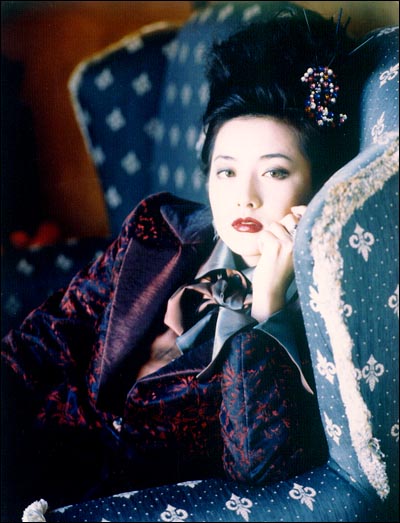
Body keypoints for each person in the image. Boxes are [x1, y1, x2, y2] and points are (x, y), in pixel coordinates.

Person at [1, 5, 360, 519]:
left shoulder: (323, 317)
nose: (245, 197)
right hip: (36, 447)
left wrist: (265, 309)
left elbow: (260, 469)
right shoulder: (160, 229)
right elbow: (48, 336)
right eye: (226, 172)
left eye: (275, 173)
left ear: (319, 187)